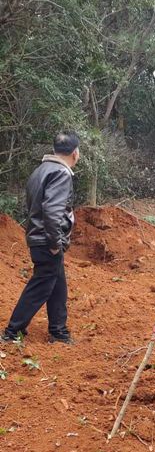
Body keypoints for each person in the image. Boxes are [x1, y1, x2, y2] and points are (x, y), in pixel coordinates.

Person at [2, 132, 80, 344]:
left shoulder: (41, 170)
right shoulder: (61, 173)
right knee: (41, 285)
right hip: (47, 241)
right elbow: (52, 211)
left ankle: (58, 331)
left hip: (39, 237)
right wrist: (56, 244)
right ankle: (12, 331)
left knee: (57, 285)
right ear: (75, 153)